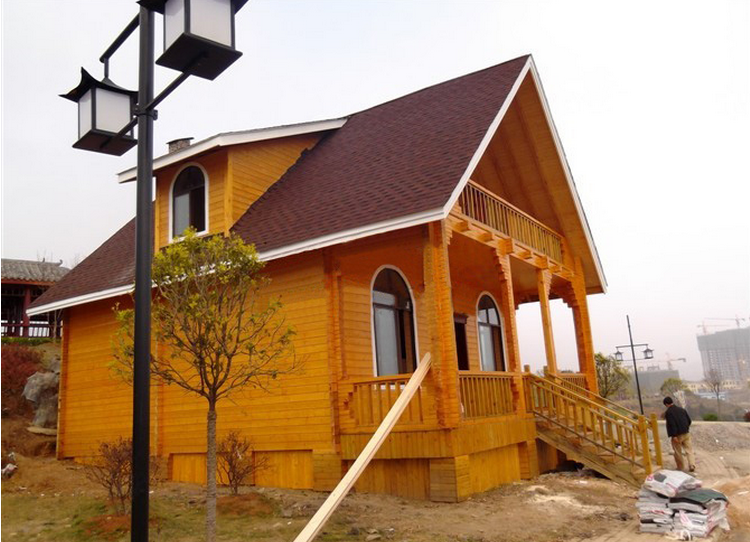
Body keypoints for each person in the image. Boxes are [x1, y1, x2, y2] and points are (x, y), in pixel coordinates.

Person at [663, 396, 696, 472]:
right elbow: (689, 421)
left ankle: (680, 467)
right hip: (686, 433)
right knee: (689, 450)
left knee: (678, 452)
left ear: (666, 404)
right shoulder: (682, 409)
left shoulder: (669, 412)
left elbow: (672, 424)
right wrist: (685, 428)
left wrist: (674, 435)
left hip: (677, 435)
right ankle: (692, 465)